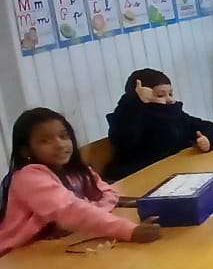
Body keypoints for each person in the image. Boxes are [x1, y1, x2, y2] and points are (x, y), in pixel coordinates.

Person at [0, 108, 162, 256]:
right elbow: (71, 210)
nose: (59, 144)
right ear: (26, 151)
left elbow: (106, 192)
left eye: (63, 136)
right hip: (18, 255)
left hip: (61, 246)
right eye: (45, 141)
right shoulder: (28, 177)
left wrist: (94, 210)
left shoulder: (74, 170)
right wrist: (129, 230)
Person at [105, 69, 213, 180]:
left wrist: (209, 140)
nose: (170, 100)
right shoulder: (129, 116)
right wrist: (133, 101)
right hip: (140, 177)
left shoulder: (174, 114)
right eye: (160, 95)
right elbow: (123, 139)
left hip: (174, 172)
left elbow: (211, 127)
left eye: (170, 94)